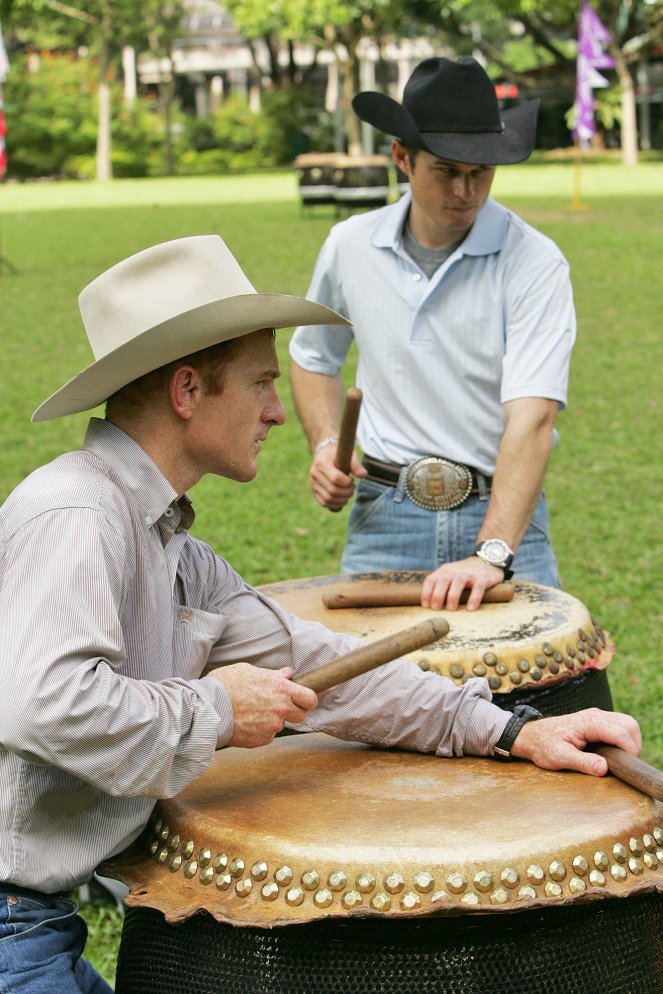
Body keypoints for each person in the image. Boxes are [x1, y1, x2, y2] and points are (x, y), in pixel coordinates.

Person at [0, 235, 640, 993]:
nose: (278, 411)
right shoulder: (77, 515)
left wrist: (512, 730)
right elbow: (39, 704)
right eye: (261, 383)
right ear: (185, 391)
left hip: (36, 919)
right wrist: (215, 707)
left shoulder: (167, 540)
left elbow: (316, 666)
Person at [289, 56, 576, 615]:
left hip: (500, 515)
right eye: (447, 171)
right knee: (371, 701)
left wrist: (490, 553)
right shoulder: (348, 246)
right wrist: (327, 445)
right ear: (402, 157)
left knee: (540, 693)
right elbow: (312, 357)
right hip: (383, 513)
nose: (467, 191)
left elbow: (533, 418)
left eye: (482, 172)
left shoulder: (535, 261)